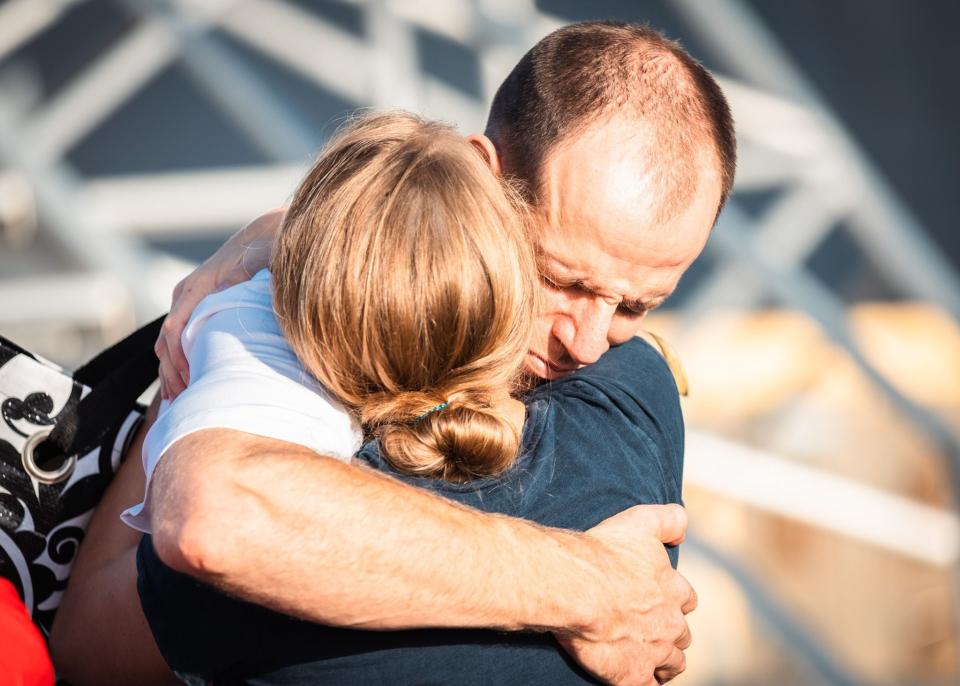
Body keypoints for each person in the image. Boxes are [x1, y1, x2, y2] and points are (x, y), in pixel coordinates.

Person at [63, 20, 734, 686]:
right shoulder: (638, 401)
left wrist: (223, 333)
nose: (585, 343)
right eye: (562, 280)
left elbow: (100, 631)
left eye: (636, 305)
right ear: (481, 176)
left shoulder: (293, 553)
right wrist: (586, 584)